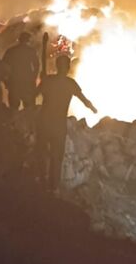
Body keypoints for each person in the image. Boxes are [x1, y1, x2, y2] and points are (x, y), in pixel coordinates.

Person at [37, 55, 97, 193]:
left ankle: (41, 181)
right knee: (56, 155)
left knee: (41, 153)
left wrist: (43, 81)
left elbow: (35, 94)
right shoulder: (70, 83)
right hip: (58, 124)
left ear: (57, 66)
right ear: (68, 68)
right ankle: (53, 187)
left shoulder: (49, 80)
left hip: (44, 122)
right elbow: (84, 99)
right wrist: (93, 109)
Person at [2, 32, 40, 111]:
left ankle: (14, 123)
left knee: (13, 109)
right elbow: (36, 66)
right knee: (29, 109)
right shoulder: (30, 51)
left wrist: (6, 81)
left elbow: (3, 66)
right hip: (27, 83)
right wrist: (33, 79)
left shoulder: (11, 51)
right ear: (28, 40)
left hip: (14, 83)